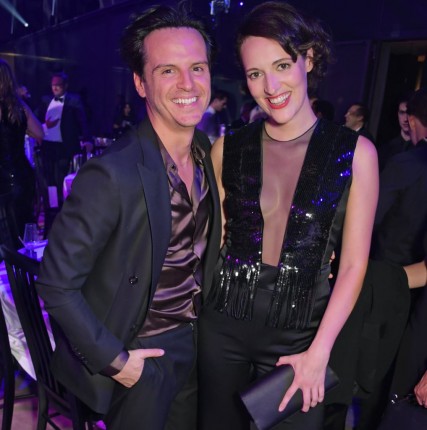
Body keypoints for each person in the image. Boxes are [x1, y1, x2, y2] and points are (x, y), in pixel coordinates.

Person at [36, 5, 220, 430]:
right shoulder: (112, 172)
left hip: (199, 345)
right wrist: (116, 361)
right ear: (140, 83)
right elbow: (56, 284)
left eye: (197, 67)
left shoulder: (208, 154)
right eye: (167, 70)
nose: (188, 83)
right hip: (144, 354)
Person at [198, 2, 378, 429]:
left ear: (308, 58)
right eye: (255, 74)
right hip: (222, 327)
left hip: (301, 337)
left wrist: (320, 351)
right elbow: (211, 244)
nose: (270, 86)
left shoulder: (356, 154)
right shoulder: (227, 148)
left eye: (281, 65)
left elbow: (353, 266)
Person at [36, 71, 92, 209]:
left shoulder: (74, 100)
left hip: (64, 145)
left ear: (65, 86)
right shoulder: (45, 100)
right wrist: (39, 131)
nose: (55, 88)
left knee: (60, 176)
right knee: (49, 178)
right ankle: (52, 206)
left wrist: (87, 139)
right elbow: (36, 119)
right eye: (53, 85)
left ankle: (62, 207)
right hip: (48, 145)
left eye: (58, 85)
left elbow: (82, 121)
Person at [0, 59, 44, 236]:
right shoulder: (20, 106)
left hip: (3, 178)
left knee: (7, 233)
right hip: (23, 174)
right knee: (23, 226)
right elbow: (39, 132)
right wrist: (22, 129)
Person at [377, 93, 412, 171]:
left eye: (409, 113)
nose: (405, 119)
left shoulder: (421, 151)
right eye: (402, 113)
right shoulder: (386, 149)